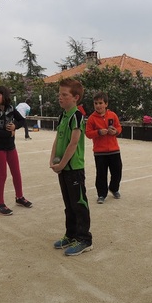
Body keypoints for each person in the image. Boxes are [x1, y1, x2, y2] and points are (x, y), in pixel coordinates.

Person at [50, 78, 93, 256]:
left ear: (75, 97)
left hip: (74, 168)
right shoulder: (62, 115)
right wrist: (52, 159)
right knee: (68, 204)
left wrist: (62, 163)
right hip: (63, 168)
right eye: (59, 94)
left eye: (64, 95)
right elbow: (57, 139)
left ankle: (84, 239)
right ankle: (71, 234)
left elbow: (73, 144)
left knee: (79, 203)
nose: (60, 98)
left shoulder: (77, 116)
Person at [0, 86, 33, 215]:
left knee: (16, 172)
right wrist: (9, 134)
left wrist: (15, 126)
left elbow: (22, 120)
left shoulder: (11, 108)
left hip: (10, 146)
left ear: (4, 96)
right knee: (2, 175)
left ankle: (19, 197)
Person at [85, 91, 123, 204]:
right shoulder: (91, 118)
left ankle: (114, 188)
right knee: (101, 174)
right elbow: (88, 133)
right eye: (96, 103)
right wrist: (98, 132)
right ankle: (101, 194)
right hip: (99, 152)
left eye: (100, 103)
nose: (98, 105)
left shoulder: (113, 115)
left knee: (117, 171)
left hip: (114, 150)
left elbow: (119, 128)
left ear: (106, 104)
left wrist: (115, 131)